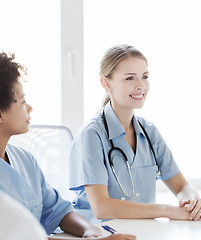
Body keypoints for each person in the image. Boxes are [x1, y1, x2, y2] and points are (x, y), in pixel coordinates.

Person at [69, 44, 201, 222]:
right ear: (106, 83)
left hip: (143, 230)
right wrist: (166, 210)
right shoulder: (91, 135)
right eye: (130, 78)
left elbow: (181, 185)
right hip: (101, 232)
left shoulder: (149, 132)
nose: (141, 85)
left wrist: (193, 200)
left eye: (144, 77)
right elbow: (102, 208)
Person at [0, 51, 136, 240]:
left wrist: (89, 232)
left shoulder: (25, 160)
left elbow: (58, 210)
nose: (30, 108)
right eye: (23, 102)